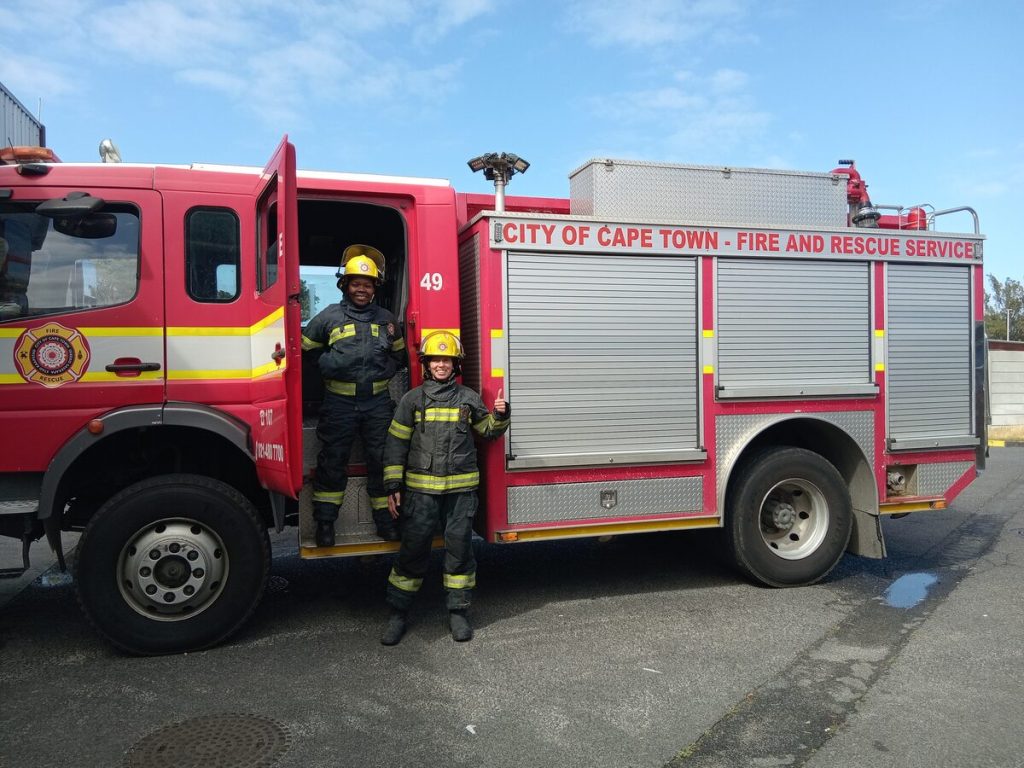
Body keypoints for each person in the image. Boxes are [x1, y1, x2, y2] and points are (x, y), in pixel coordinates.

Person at [379, 331, 510, 645]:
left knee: (460, 552)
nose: (440, 364)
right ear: (426, 364)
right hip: (421, 494)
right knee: (412, 552)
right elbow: (395, 443)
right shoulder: (412, 400)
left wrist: (501, 416)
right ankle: (398, 613)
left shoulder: (468, 398)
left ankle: (458, 612)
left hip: (460, 494)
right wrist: (393, 484)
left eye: (446, 359)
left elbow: (487, 431)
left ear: (456, 364)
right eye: (435, 359)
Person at [301, 244, 406, 546]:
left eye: (367, 284)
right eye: (356, 283)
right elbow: (307, 350)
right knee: (333, 462)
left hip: (377, 403)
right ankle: (325, 525)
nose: (362, 289)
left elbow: (399, 357)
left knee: (381, 462)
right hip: (339, 403)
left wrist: (384, 370)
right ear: (345, 285)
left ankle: (386, 523)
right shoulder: (328, 317)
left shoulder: (386, 320)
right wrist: (327, 364)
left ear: (375, 288)